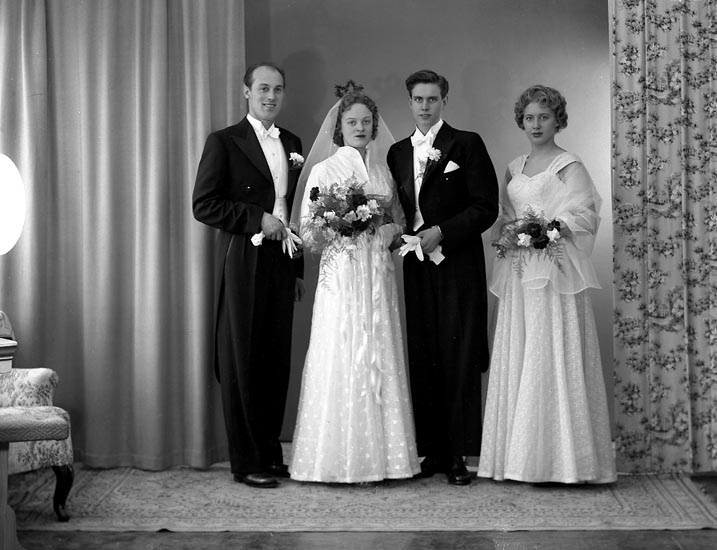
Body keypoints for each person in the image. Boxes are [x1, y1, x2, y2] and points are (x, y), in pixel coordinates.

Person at [477, 85, 616, 484]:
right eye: (529, 118)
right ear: (521, 121)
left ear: (558, 120)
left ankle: (563, 461)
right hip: (520, 271)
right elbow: (503, 216)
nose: (536, 125)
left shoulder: (568, 164)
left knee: (550, 346)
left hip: (555, 272)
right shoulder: (513, 167)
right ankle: (518, 458)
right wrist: (509, 231)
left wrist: (549, 229)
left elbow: (586, 213)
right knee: (521, 346)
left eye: (544, 117)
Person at [289, 85, 420, 483]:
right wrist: (341, 223)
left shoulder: (382, 171)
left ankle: (387, 460)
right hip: (342, 275)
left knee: (378, 347)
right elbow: (308, 232)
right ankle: (336, 459)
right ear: (340, 127)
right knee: (341, 347)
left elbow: (399, 222)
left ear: (374, 126)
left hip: (377, 273)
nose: (360, 128)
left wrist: (389, 228)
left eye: (366, 122)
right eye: (352, 122)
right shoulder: (324, 171)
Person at [192, 62, 304, 489]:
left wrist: (297, 268)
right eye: (263, 89)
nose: (271, 96)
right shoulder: (224, 141)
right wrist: (257, 218)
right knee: (243, 358)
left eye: (278, 89)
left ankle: (270, 455)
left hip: (283, 259)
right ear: (247, 92)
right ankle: (246, 461)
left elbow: (294, 208)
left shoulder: (291, 142)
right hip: (244, 254)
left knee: (275, 358)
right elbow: (204, 204)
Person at [387, 70, 498, 485]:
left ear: (444, 101)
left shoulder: (466, 144)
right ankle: (431, 451)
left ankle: (457, 454)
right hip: (416, 264)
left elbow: (485, 206)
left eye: (432, 99)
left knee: (458, 352)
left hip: (457, 262)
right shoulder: (398, 152)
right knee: (423, 351)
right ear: (409, 102)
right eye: (418, 99)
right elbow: (400, 210)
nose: (425, 106)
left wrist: (443, 232)